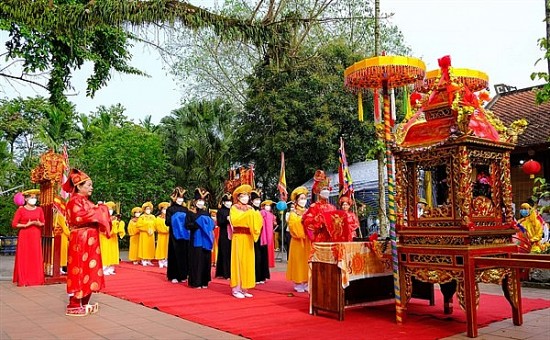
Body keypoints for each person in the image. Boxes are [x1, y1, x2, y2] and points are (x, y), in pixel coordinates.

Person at [62, 168, 111, 316]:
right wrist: (101, 210)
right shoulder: (73, 202)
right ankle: (74, 304)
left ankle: (85, 301)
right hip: (80, 240)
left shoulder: (87, 202)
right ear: (79, 186)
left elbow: (94, 215)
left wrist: (100, 210)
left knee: (91, 269)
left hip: (91, 240)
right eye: (89, 185)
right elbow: (79, 217)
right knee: (79, 269)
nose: (92, 188)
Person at [229, 184, 262, 298]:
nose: (245, 198)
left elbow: (257, 221)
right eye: (243, 196)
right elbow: (236, 221)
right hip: (239, 237)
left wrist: (254, 216)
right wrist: (249, 216)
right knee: (238, 261)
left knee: (248, 262)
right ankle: (236, 288)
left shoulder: (251, 209)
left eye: (247, 196)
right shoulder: (234, 208)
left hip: (248, 237)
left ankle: (245, 287)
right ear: (238, 197)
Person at [11, 189, 45, 287]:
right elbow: (14, 224)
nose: (33, 199)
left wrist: (39, 223)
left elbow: (43, 222)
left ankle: (36, 279)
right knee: (24, 256)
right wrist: (25, 225)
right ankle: (24, 279)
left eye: (35, 198)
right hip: (24, 234)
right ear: (26, 199)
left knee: (35, 255)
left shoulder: (39, 209)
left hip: (35, 234)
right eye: (31, 198)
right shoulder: (21, 210)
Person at [185, 188, 215, 289]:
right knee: (196, 260)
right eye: (199, 201)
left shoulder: (206, 212)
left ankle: (204, 281)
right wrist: (197, 225)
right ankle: (196, 282)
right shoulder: (190, 212)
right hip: (196, 239)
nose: (201, 203)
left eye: (202, 201)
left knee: (205, 260)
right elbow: (187, 225)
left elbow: (211, 225)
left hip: (206, 239)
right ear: (195, 201)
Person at [286, 186, 310, 293]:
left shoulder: (309, 212)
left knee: (307, 261)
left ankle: (306, 281)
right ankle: (298, 283)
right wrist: (302, 222)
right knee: (298, 261)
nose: (303, 201)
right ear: (296, 201)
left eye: (305, 198)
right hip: (297, 241)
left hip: (308, 241)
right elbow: (293, 227)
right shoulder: (293, 213)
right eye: (301, 198)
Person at [302, 170, 336, 242]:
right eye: (324, 189)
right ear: (319, 191)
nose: (326, 191)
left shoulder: (332, 207)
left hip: (331, 238)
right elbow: (307, 222)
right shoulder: (314, 206)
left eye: (327, 189)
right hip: (319, 238)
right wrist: (318, 220)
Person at [165, 187, 189, 283]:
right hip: (174, 235)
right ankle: (173, 275)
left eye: (182, 198)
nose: (180, 200)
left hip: (184, 235)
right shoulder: (170, 209)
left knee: (184, 254)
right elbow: (167, 222)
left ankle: (183, 275)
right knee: (174, 254)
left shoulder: (185, 209)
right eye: (179, 198)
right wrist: (177, 220)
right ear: (174, 198)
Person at [100, 201, 124, 276]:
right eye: (109, 209)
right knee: (105, 252)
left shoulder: (114, 218)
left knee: (112, 252)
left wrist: (119, 223)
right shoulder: (102, 217)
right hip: (105, 237)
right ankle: (103, 268)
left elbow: (118, 228)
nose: (110, 210)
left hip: (113, 238)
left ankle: (110, 268)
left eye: (111, 209)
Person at [215, 193, 232, 279]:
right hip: (224, 234)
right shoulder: (220, 211)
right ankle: (225, 273)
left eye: (230, 201)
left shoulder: (233, 210)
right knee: (224, 253)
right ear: (224, 202)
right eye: (227, 201)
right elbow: (219, 223)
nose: (229, 203)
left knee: (231, 253)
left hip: (232, 234)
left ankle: (231, 272)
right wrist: (226, 219)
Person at [137, 202, 156, 266]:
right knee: (144, 246)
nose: (148, 210)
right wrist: (146, 229)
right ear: (144, 210)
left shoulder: (153, 217)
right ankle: (143, 259)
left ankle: (149, 259)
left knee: (150, 246)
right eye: (147, 209)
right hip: (144, 234)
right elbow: (139, 225)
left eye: (149, 209)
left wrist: (153, 229)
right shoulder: (142, 217)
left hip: (151, 234)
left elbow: (156, 225)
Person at [260, 199, 276, 269]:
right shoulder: (262, 212)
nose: (268, 207)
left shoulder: (272, 215)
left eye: (269, 206)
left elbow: (274, 223)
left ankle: (270, 262)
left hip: (270, 233)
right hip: (264, 233)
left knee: (270, 246)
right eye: (266, 205)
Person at [155, 202, 170, 268]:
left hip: (168, 235)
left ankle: (165, 260)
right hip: (161, 235)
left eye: (166, 209)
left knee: (167, 247)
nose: (165, 210)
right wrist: (166, 230)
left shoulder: (170, 217)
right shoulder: (158, 218)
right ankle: (160, 260)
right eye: (164, 209)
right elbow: (158, 227)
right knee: (161, 247)